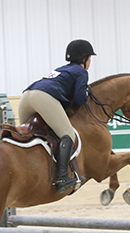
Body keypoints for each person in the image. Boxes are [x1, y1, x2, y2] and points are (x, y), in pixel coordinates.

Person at [19, 39, 96, 194]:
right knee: (68, 134)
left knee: (26, 138)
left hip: (26, 97)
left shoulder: (62, 69)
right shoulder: (81, 72)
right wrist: (87, 91)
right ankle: (61, 178)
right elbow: (81, 99)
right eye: (90, 59)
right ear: (85, 59)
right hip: (43, 97)